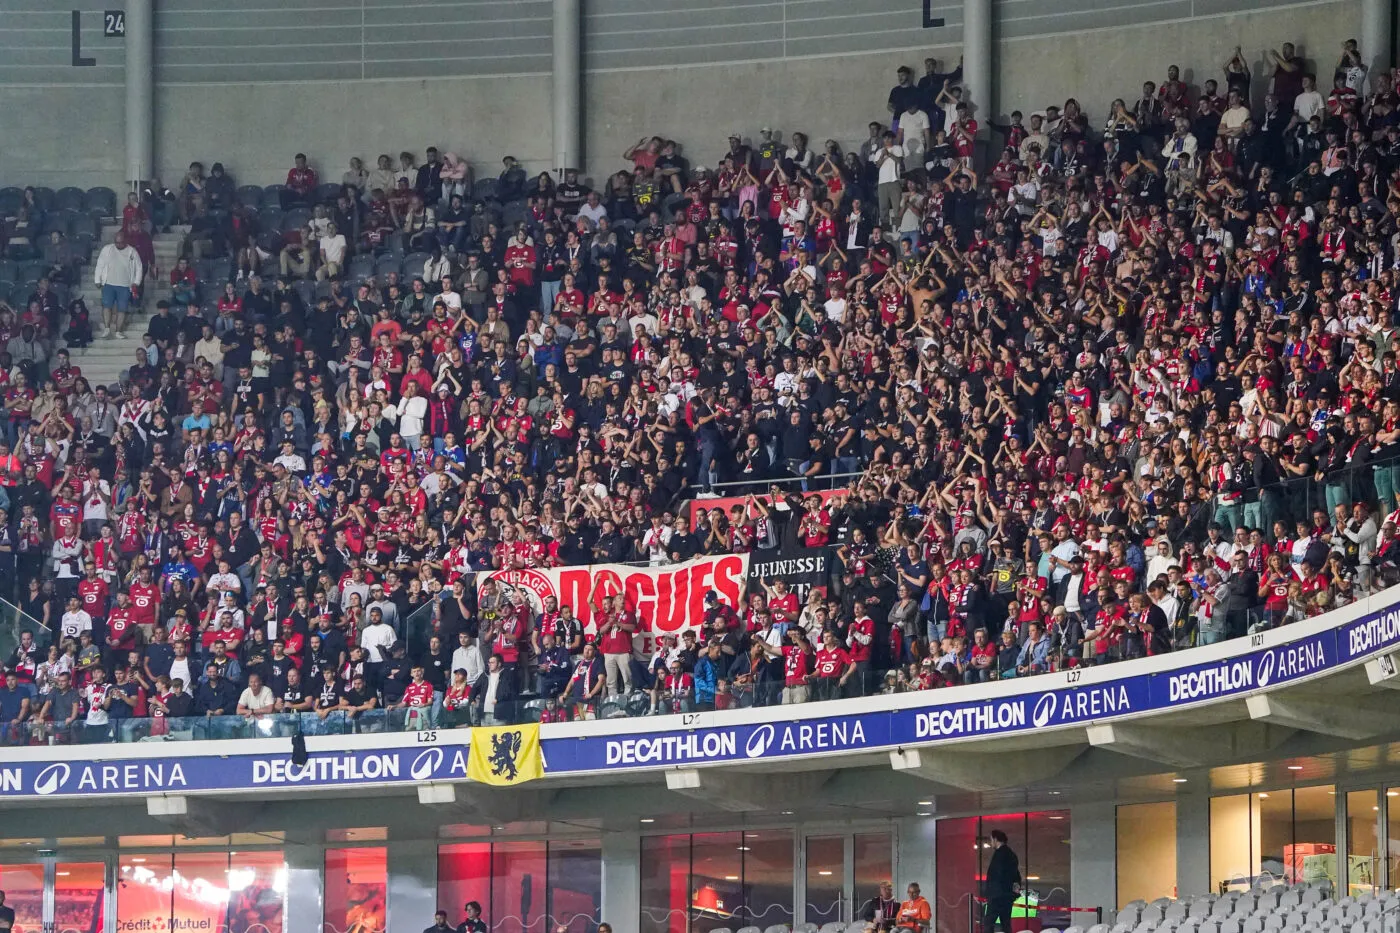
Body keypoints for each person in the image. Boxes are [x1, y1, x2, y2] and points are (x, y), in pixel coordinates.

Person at [93, 228, 144, 339]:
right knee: (107, 306)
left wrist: (136, 282)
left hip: (125, 285)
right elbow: (100, 265)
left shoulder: (132, 251)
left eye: (121, 242)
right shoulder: (107, 249)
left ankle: (118, 331)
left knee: (122, 309)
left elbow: (139, 268)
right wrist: (97, 279)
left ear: (126, 241)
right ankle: (107, 328)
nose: (118, 244)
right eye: (116, 242)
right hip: (108, 284)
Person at [981, 830, 1020, 933]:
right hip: (1007, 897)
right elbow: (1016, 876)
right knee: (1006, 924)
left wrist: (990, 894)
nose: (991, 842)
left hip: (997, 896)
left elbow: (995, 876)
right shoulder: (1011, 855)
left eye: (991, 840)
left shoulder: (999, 855)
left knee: (988, 923)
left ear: (995, 839)